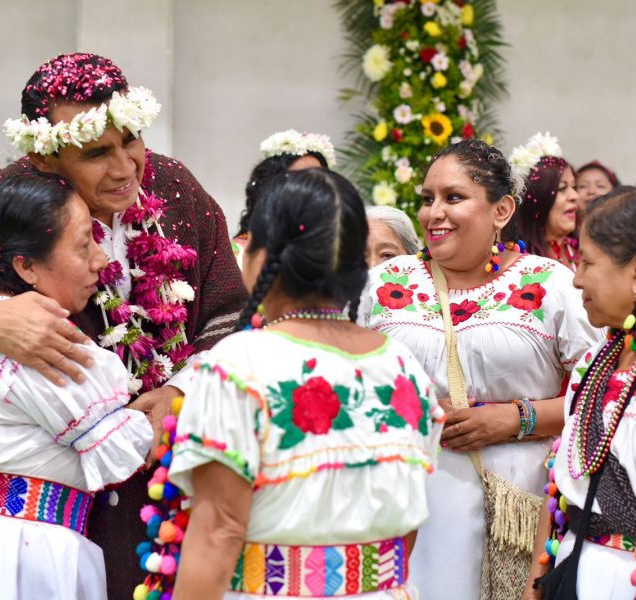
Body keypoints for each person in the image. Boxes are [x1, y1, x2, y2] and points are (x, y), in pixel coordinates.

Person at [0, 52, 246, 597]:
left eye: (131, 139)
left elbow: (234, 317)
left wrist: (185, 390)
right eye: (96, 152)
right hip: (30, 531)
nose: (125, 168)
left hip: (172, 492)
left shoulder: (176, 190)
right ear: (44, 158)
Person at [168, 169, 446, 599]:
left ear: (262, 257)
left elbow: (219, 530)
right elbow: (404, 524)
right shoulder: (403, 367)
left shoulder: (236, 366)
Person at [360, 139, 600, 600]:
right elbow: (339, 380)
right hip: (398, 497)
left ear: (502, 210)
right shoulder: (384, 282)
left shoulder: (549, 285)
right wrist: (404, 406)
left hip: (516, 503)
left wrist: (516, 418)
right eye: (427, 198)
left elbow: (600, 399)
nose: (434, 213)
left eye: (453, 197)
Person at [0, 173, 153, 599]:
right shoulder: (47, 344)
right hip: (11, 559)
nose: (100, 260)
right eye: (84, 245)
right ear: (27, 267)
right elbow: (121, 452)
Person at [526, 185, 636, 599]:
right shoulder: (598, 358)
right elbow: (561, 487)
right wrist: (534, 585)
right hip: (576, 573)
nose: (576, 278)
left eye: (587, 262)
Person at [232, 129, 335, 269]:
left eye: (319, 181)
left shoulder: (336, 251)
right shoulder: (238, 255)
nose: (311, 191)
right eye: (300, 181)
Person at [509, 132, 581, 270]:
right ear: (537, 200)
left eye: (574, 187)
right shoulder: (515, 262)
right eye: (562, 188)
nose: (574, 196)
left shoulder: (586, 251)